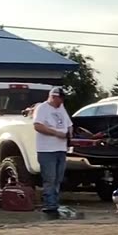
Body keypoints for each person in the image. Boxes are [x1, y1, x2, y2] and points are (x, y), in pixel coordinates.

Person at [32, 86, 72, 219]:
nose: (61, 101)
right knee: (50, 178)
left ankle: (54, 202)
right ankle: (50, 205)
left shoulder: (61, 108)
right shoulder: (42, 108)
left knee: (58, 178)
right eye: (60, 98)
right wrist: (56, 133)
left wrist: (70, 132)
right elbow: (37, 125)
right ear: (53, 97)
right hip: (47, 149)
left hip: (61, 148)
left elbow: (68, 123)